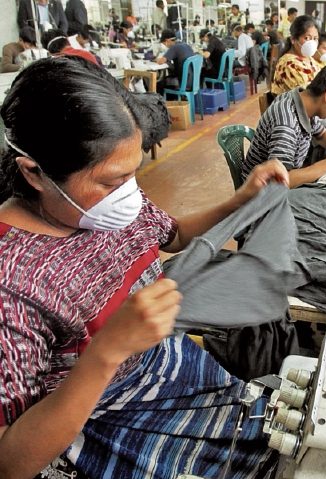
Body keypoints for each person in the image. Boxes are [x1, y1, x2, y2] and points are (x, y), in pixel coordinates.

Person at [0, 55, 286, 478]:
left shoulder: (104, 207)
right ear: (35, 173)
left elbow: (172, 235)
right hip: (101, 420)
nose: (129, 195)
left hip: (170, 369)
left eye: (133, 174)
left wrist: (240, 199)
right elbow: (10, 462)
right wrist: (107, 352)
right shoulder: (11, 284)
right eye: (112, 182)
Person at [243, 62, 326, 187]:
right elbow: (279, 182)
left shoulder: (301, 100)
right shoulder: (286, 125)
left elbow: (320, 134)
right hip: (261, 196)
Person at [271, 15, 321, 95]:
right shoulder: (289, 63)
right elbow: (308, 96)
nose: (312, 43)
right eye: (307, 38)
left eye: (315, 38)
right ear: (293, 39)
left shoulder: (309, 59)